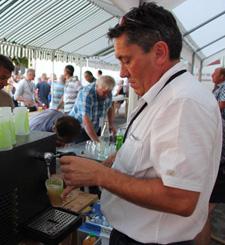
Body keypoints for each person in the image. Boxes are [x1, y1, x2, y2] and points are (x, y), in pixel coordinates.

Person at [60, 3, 222, 244]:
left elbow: (181, 198)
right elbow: (152, 155)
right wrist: (115, 162)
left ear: (159, 52)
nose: (122, 73)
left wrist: (100, 175)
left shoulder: (183, 102)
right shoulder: (164, 94)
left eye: (126, 60)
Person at [195, 67, 225, 244]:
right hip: (218, 163)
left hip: (220, 168)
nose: (212, 76)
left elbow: (220, 105)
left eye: (215, 73)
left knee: (201, 212)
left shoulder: (214, 118)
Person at [69, 75, 115, 142]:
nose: (106, 96)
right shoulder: (87, 94)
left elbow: (110, 107)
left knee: (96, 147)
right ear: (96, 87)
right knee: (83, 149)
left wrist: (111, 125)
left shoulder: (108, 91)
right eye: (104, 92)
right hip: (79, 128)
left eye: (108, 92)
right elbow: (86, 122)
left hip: (95, 126)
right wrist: (97, 142)